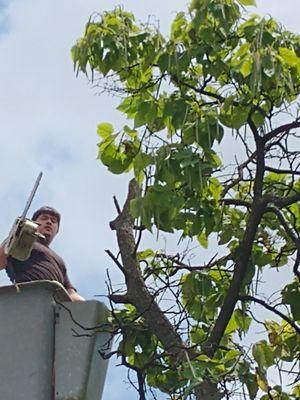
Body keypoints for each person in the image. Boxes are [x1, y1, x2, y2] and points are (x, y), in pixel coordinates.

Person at [0, 206, 85, 302]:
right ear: (33, 224)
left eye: (53, 221)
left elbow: (71, 293)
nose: (49, 222)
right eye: (44, 218)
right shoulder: (22, 241)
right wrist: (14, 236)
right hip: (28, 296)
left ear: (57, 230)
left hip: (54, 304)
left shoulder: (59, 260)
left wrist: (88, 308)